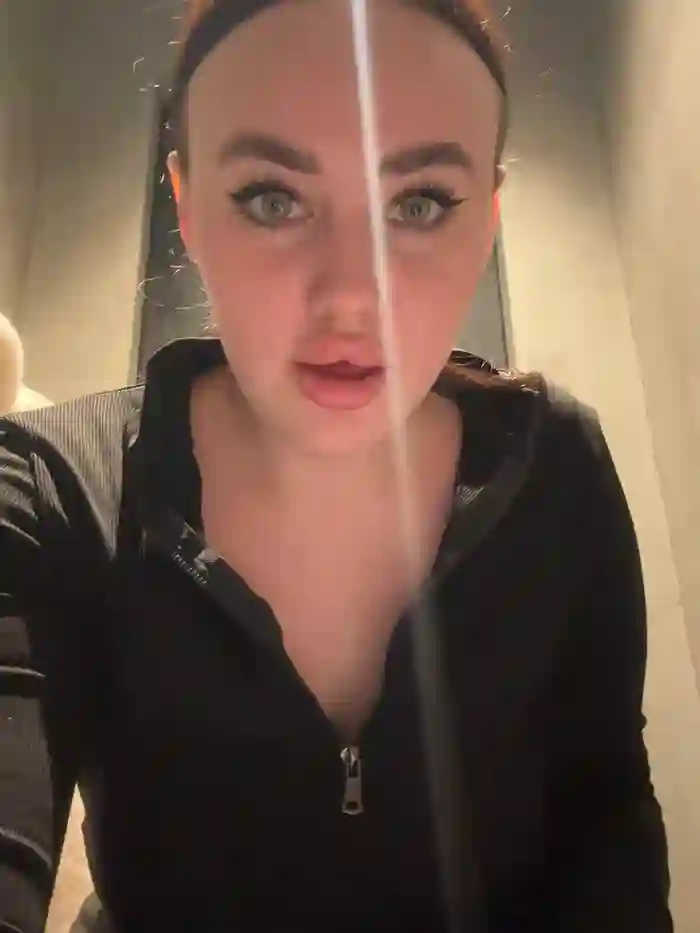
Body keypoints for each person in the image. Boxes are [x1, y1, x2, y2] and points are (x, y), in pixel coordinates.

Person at [0, 1, 672, 932]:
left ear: (488, 217)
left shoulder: (558, 466)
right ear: (187, 206)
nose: (353, 297)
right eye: (272, 199)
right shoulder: (52, 486)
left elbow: (607, 827)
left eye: (420, 203)